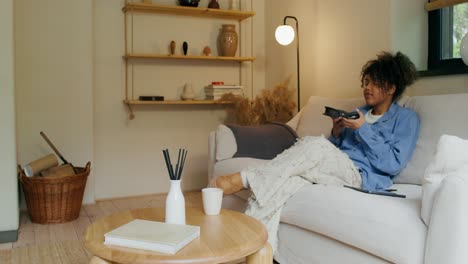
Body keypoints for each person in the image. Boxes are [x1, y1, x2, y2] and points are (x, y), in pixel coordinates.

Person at [213, 51, 420, 195]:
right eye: (366, 82)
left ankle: (245, 179)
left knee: (312, 144)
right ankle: (259, 244)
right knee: (287, 183)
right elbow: (332, 151)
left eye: (375, 83)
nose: (367, 87)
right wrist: (337, 133)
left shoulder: (406, 119)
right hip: (336, 166)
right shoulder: (358, 113)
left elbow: (393, 164)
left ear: (392, 88)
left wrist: (363, 128)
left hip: (361, 175)